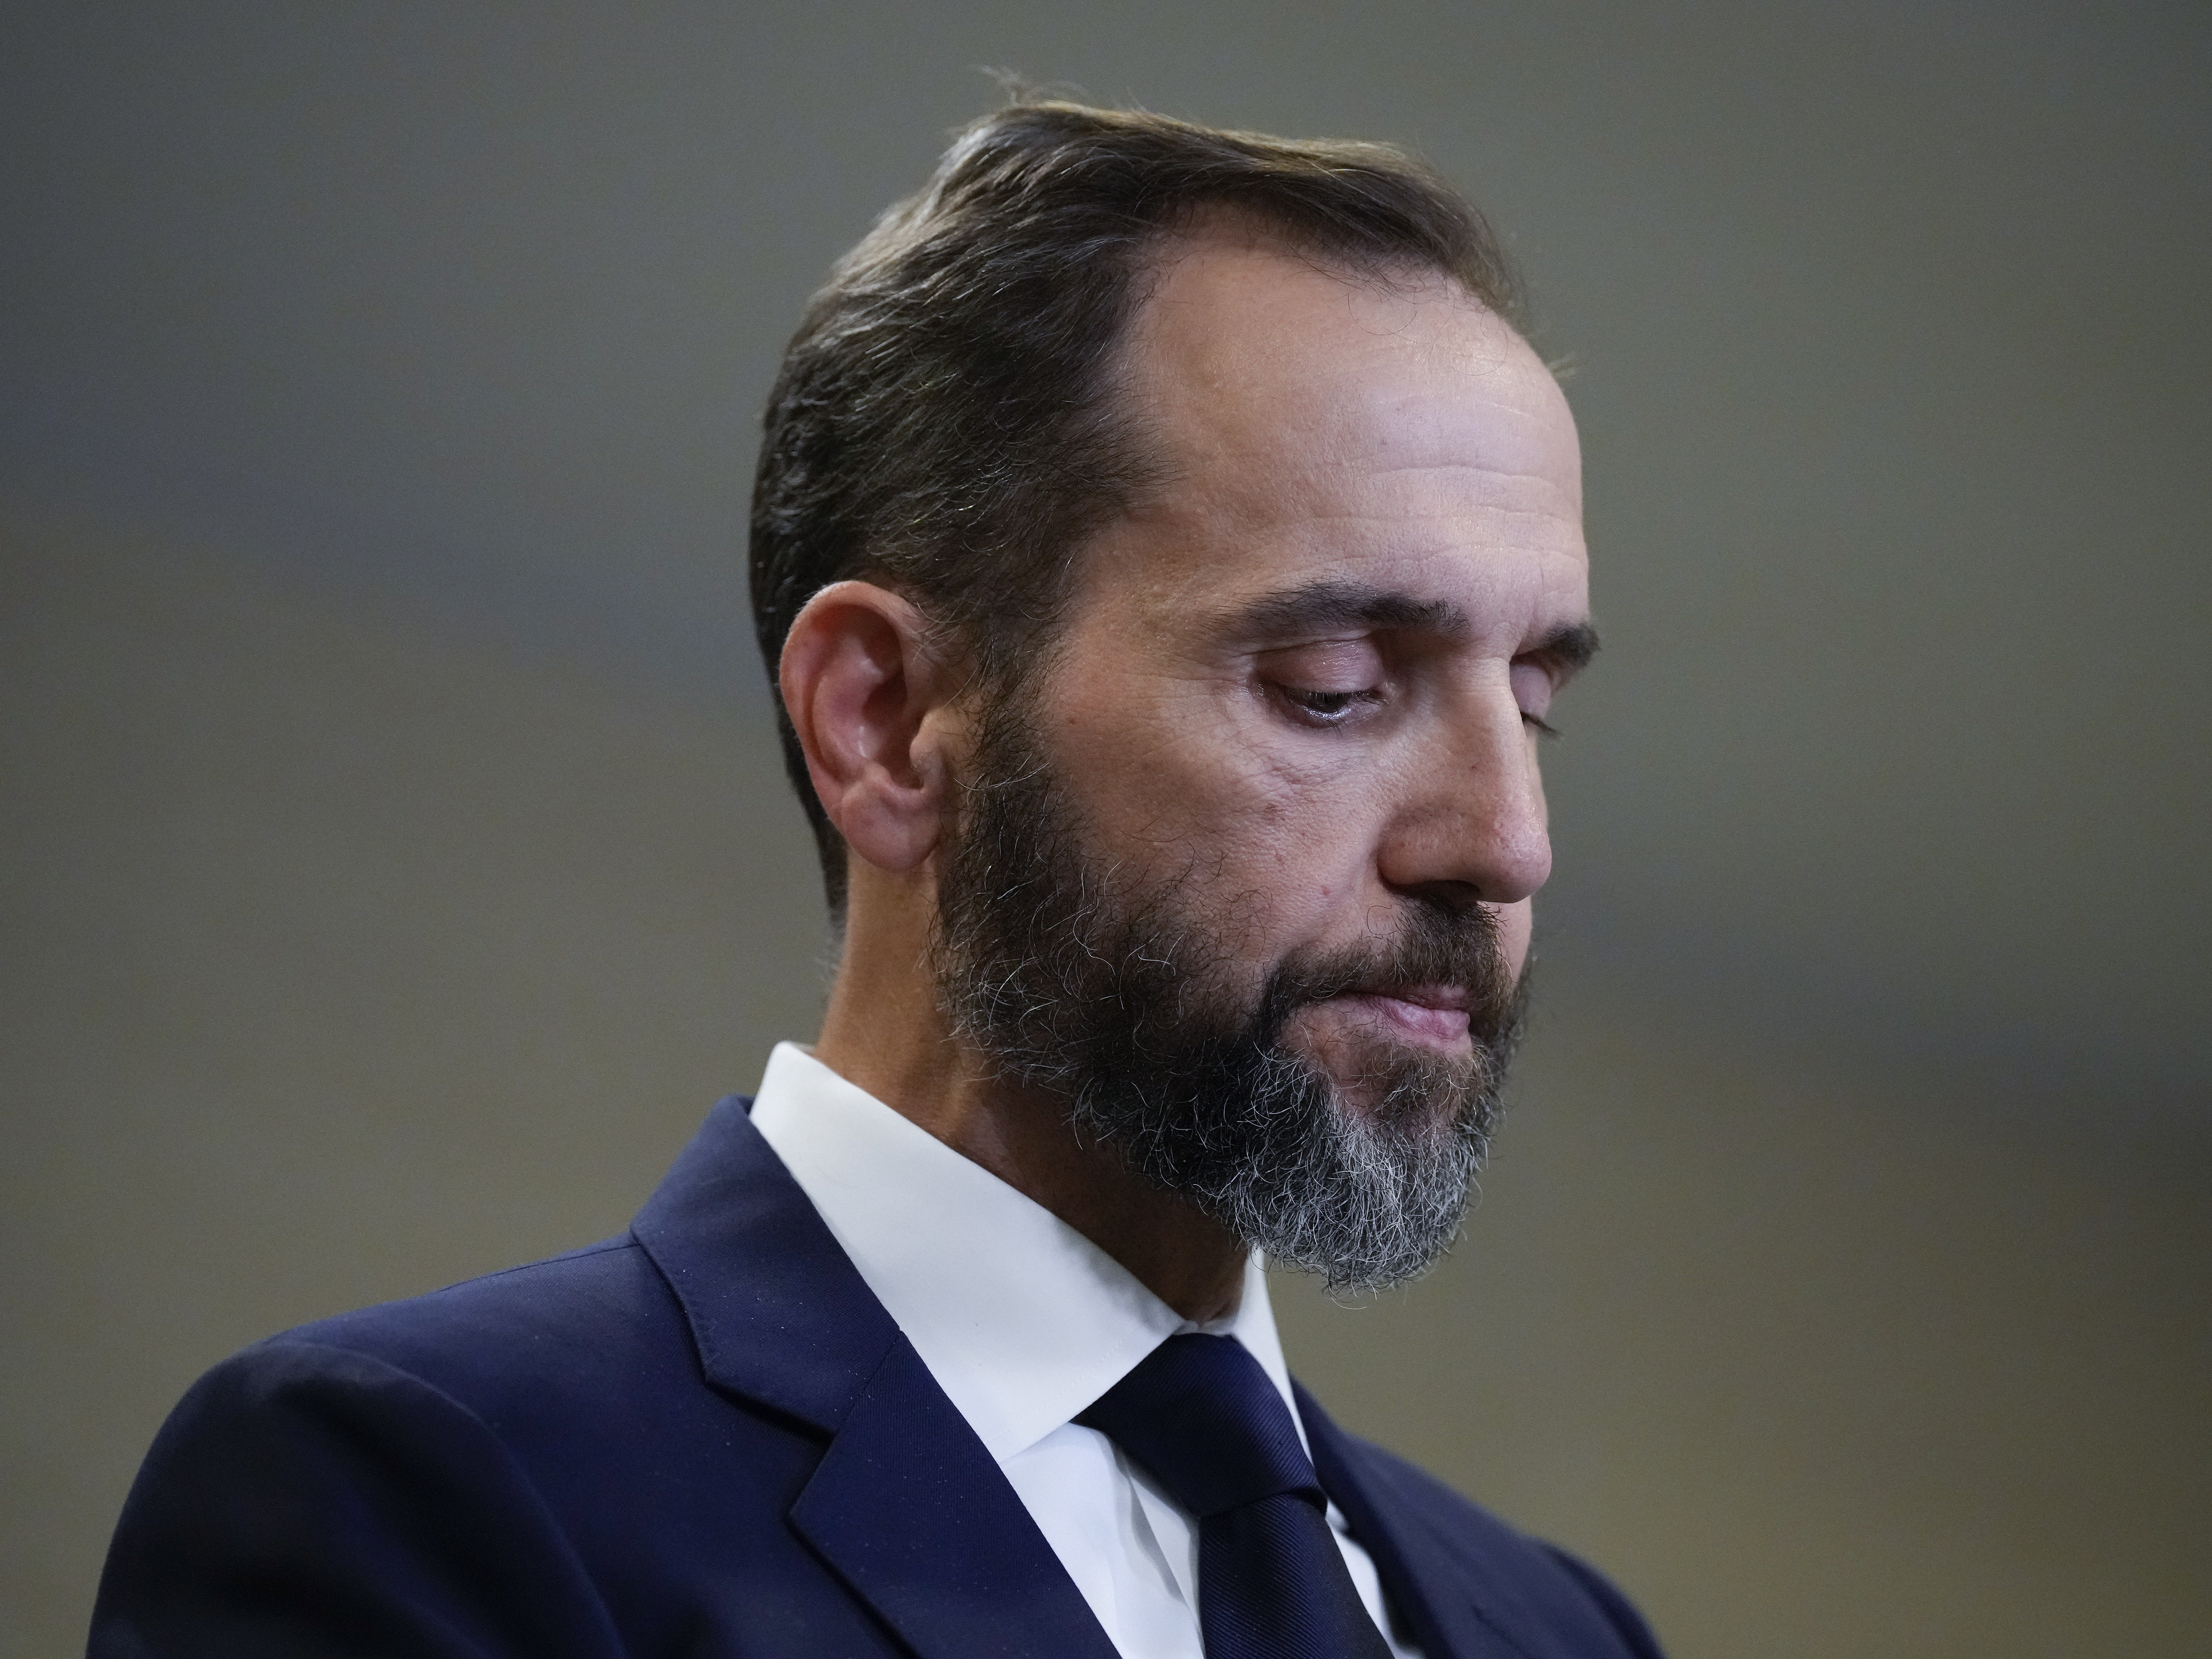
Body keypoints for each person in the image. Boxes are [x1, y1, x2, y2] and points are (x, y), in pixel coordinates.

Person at [92, 102, 1660, 1659]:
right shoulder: (419, 1498)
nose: (1508, 845)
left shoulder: (1564, 1632)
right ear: (892, 724)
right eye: (1331, 683)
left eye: (1531, 703)